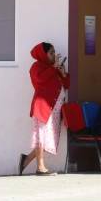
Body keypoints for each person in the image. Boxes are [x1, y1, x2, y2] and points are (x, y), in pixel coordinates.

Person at [20, 42, 69, 176]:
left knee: (49, 139)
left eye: (54, 52)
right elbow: (39, 80)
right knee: (41, 137)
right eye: (51, 53)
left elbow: (66, 85)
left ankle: (26, 160)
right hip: (43, 107)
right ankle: (40, 168)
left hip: (54, 110)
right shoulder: (36, 67)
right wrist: (54, 68)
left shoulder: (53, 67)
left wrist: (63, 73)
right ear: (43, 54)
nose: (54, 55)